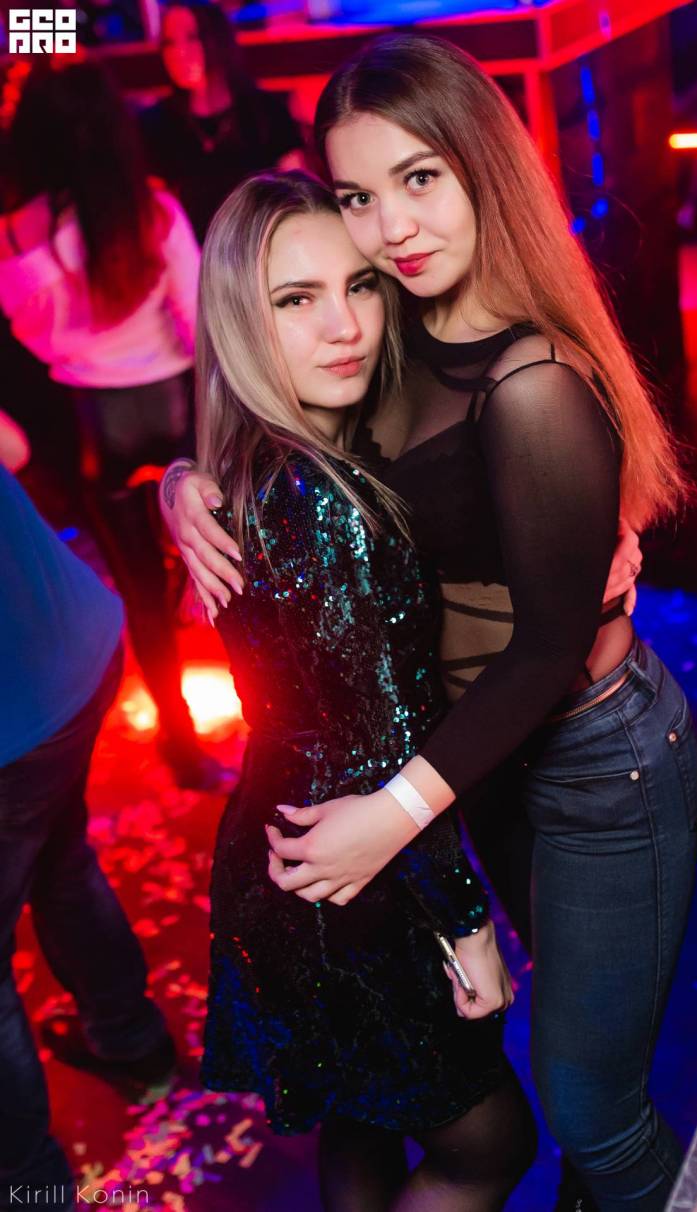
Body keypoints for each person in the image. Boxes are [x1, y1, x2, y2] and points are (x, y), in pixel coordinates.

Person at [161, 35, 697, 1212]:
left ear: (481, 165)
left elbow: (545, 650)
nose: (391, 229)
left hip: (586, 761)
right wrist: (186, 476)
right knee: (529, 1086)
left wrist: (393, 820)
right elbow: (284, 385)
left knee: (589, 1112)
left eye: (419, 178)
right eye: (359, 194)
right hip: (471, 762)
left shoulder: (530, 381)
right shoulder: (389, 325)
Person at [193, 170, 536, 1212]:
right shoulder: (318, 498)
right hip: (354, 880)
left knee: (362, 1121)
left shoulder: (252, 462)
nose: (343, 326)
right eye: (296, 299)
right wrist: (467, 923)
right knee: (489, 1145)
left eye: (359, 287)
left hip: (278, 848)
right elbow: (382, 743)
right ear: (240, 320)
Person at [0, 58, 223, 790]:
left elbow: (30, 333)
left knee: (139, 593)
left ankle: (182, 745)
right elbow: (199, 318)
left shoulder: (22, 229)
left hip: (95, 419)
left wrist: (77, 335)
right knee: (217, 564)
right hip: (175, 407)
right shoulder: (150, 208)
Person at [0, 411, 175, 1210]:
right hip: (70, 648)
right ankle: (133, 1043)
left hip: (16, 716)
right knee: (62, 862)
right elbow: (13, 446)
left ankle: (28, 1185)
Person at [140, 0, 304, 243]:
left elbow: (300, 194)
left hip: (263, 246)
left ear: (216, 39)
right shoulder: (156, 123)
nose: (178, 52)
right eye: (169, 43)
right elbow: (155, 215)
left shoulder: (266, 112)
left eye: (192, 37)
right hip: (194, 255)